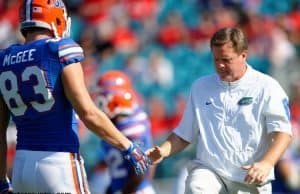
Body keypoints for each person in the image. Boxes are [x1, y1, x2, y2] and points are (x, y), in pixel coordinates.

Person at [0, 1, 149, 193]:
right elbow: (88, 113)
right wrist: (128, 146)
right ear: (54, 17)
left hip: (21, 168)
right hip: (58, 161)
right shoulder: (59, 50)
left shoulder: (4, 58)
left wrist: (2, 179)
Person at [147, 27, 293, 194]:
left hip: (250, 178)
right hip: (210, 172)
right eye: (216, 60)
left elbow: (283, 133)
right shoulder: (200, 87)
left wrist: (267, 163)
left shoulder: (267, 87)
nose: (220, 65)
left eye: (226, 59)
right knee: (198, 188)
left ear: (243, 55)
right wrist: (164, 150)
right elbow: (184, 133)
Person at [94, 70, 156, 194]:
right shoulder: (115, 124)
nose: (97, 101)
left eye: (102, 96)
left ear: (115, 98)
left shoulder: (131, 126)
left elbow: (142, 170)